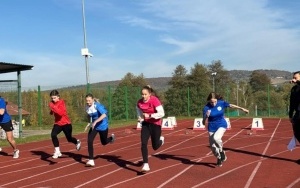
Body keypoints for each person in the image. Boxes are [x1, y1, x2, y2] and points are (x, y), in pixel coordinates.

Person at [202, 92, 249, 167]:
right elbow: (203, 123)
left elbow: (232, 106)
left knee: (216, 138)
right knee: (213, 147)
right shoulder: (206, 108)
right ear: (209, 101)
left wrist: (242, 108)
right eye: (211, 102)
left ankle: (221, 151)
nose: (213, 104)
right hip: (211, 127)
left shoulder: (221, 103)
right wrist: (205, 117)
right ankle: (219, 158)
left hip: (221, 124)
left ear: (217, 100)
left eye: (215, 102)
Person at [136, 85, 165, 172]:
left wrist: (150, 115)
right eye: (142, 94)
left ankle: (161, 140)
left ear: (149, 94)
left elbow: (162, 113)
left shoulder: (154, 100)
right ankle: (146, 164)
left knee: (155, 147)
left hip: (156, 124)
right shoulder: (139, 102)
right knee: (143, 143)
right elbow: (138, 110)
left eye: (145, 94)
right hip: (146, 124)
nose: (143, 96)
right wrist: (140, 117)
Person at [49, 90, 81, 159]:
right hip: (58, 123)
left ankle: (77, 142)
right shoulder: (52, 103)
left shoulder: (62, 103)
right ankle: (57, 151)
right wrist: (51, 111)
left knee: (69, 139)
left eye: (54, 98)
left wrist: (53, 107)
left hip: (66, 124)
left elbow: (60, 113)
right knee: (53, 134)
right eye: (52, 98)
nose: (53, 100)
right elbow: (52, 111)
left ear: (58, 97)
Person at [85, 93, 115, 167]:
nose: (88, 102)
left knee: (104, 142)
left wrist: (95, 121)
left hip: (103, 125)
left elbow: (104, 114)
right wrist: (89, 123)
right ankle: (91, 160)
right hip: (94, 126)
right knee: (89, 140)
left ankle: (111, 138)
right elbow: (88, 115)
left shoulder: (97, 105)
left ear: (92, 99)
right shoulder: (87, 107)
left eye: (89, 100)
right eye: (87, 101)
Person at [289, 71, 300, 147]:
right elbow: (291, 103)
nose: (293, 79)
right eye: (293, 77)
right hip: (297, 113)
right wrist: (290, 115)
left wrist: (298, 81)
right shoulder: (294, 89)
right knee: (296, 133)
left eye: (295, 77)